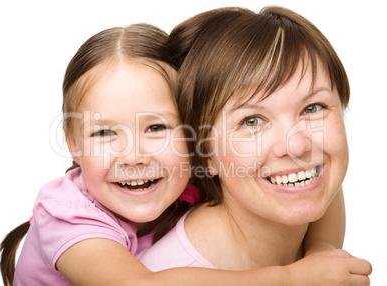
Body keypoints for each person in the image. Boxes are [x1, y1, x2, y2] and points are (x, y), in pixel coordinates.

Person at [0, 18, 367, 286]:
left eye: (157, 128)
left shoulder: (184, 165)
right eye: (105, 132)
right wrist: (291, 278)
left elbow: (310, 176)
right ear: (73, 143)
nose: (135, 155)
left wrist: (323, 250)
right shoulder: (66, 215)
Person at [140, 6, 372, 285]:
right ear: (203, 154)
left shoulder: (310, 227)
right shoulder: (167, 272)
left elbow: (327, 176)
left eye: (313, 107)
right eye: (251, 121)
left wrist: (323, 249)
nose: (297, 146)